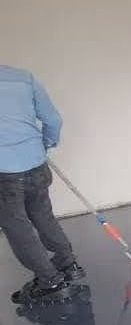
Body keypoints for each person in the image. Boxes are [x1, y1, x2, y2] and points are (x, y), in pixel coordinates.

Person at [0, 65, 83, 305]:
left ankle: (50, 280)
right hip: (36, 164)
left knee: (18, 228)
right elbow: (53, 120)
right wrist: (45, 144)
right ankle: (68, 263)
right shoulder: (23, 78)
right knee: (43, 214)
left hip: (5, 174)